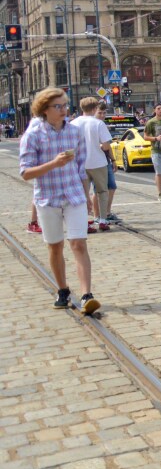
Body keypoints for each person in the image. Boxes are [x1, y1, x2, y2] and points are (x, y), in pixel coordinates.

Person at [19, 87, 100, 315]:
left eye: (66, 105)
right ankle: (63, 289)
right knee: (55, 247)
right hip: (47, 198)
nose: (64, 110)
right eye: (59, 106)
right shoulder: (33, 136)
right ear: (44, 109)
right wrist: (53, 164)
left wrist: (87, 197)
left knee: (78, 243)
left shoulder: (74, 132)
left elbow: (81, 169)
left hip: (73, 195)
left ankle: (86, 295)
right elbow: (25, 173)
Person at [70, 97, 113, 233]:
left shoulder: (73, 123)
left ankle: (84, 222)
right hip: (98, 162)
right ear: (95, 109)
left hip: (80, 163)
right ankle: (102, 220)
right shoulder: (98, 123)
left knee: (83, 194)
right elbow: (106, 145)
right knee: (102, 191)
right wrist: (99, 146)